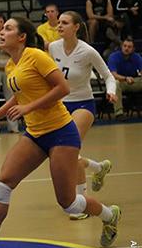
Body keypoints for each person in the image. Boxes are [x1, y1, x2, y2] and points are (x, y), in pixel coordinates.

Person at [0, 17, 121, 248]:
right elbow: (18, 97)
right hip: (35, 135)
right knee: (3, 183)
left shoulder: (36, 56)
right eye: (2, 29)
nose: (2, 32)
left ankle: (109, 215)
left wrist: (28, 108)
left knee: (68, 204)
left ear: (21, 36)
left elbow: (63, 89)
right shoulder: (10, 65)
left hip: (60, 132)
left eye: (8, 29)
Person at [48, 11, 117, 220]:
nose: (60, 26)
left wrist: (111, 91)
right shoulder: (53, 47)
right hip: (59, 106)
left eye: (65, 23)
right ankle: (99, 167)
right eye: (58, 22)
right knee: (63, 153)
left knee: (70, 150)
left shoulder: (88, 51)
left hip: (83, 105)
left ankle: (81, 200)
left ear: (76, 27)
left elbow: (108, 76)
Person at [108, 37, 142, 120]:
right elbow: (113, 74)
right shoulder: (113, 57)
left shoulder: (136, 57)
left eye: (129, 47)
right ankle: (119, 113)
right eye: (125, 46)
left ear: (133, 49)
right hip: (120, 81)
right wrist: (126, 78)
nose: (126, 48)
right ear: (121, 46)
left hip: (133, 81)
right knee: (115, 84)